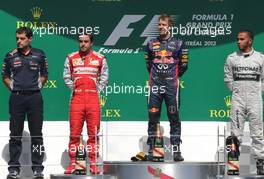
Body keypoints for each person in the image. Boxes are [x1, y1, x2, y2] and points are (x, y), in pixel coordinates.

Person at [2, 27, 48, 179]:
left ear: (30, 39)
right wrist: (14, 88)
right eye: (17, 38)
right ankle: (13, 168)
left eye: (22, 38)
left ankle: (38, 168)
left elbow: (44, 75)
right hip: (17, 98)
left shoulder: (39, 54)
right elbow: (5, 76)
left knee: (37, 135)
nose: (18, 41)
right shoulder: (10, 56)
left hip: (35, 98)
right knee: (15, 134)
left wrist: (39, 85)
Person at [145, 14, 188, 162]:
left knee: (174, 118)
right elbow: (149, 65)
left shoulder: (179, 43)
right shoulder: (151, 44)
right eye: (159, 25)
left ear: (169, 26)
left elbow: (184, 66)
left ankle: (176, 150)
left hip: (172, 86)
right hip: (155, 85)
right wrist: (157, 78)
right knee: (153, 117)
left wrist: (171, 77)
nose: (161, 27)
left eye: (163, 24)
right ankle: (152, 149)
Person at [63, 33, 108, 174]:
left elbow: (105, 77)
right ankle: (73, 163)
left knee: (93, 133)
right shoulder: (71, 57)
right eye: (81, 41)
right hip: (77, 99)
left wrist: (95, 89)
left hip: (93, 98)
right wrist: (76, 88)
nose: (83, 44)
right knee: (74, 133)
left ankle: (93, 163)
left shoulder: (100, 58)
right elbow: (66, 76)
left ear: (91, 43)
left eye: (86, 41)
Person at [224, 30, 264, 175]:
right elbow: (227, 78)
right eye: (237, 39)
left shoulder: (260, 58)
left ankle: (260, 164)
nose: (238, 41)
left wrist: (257, 92)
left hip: (255, 100)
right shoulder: (231, 58)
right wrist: (236, 91)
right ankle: (233, 164)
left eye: (241, 39)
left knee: (257, 134)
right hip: (238, 100)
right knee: (235, 133)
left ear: (250, 41)